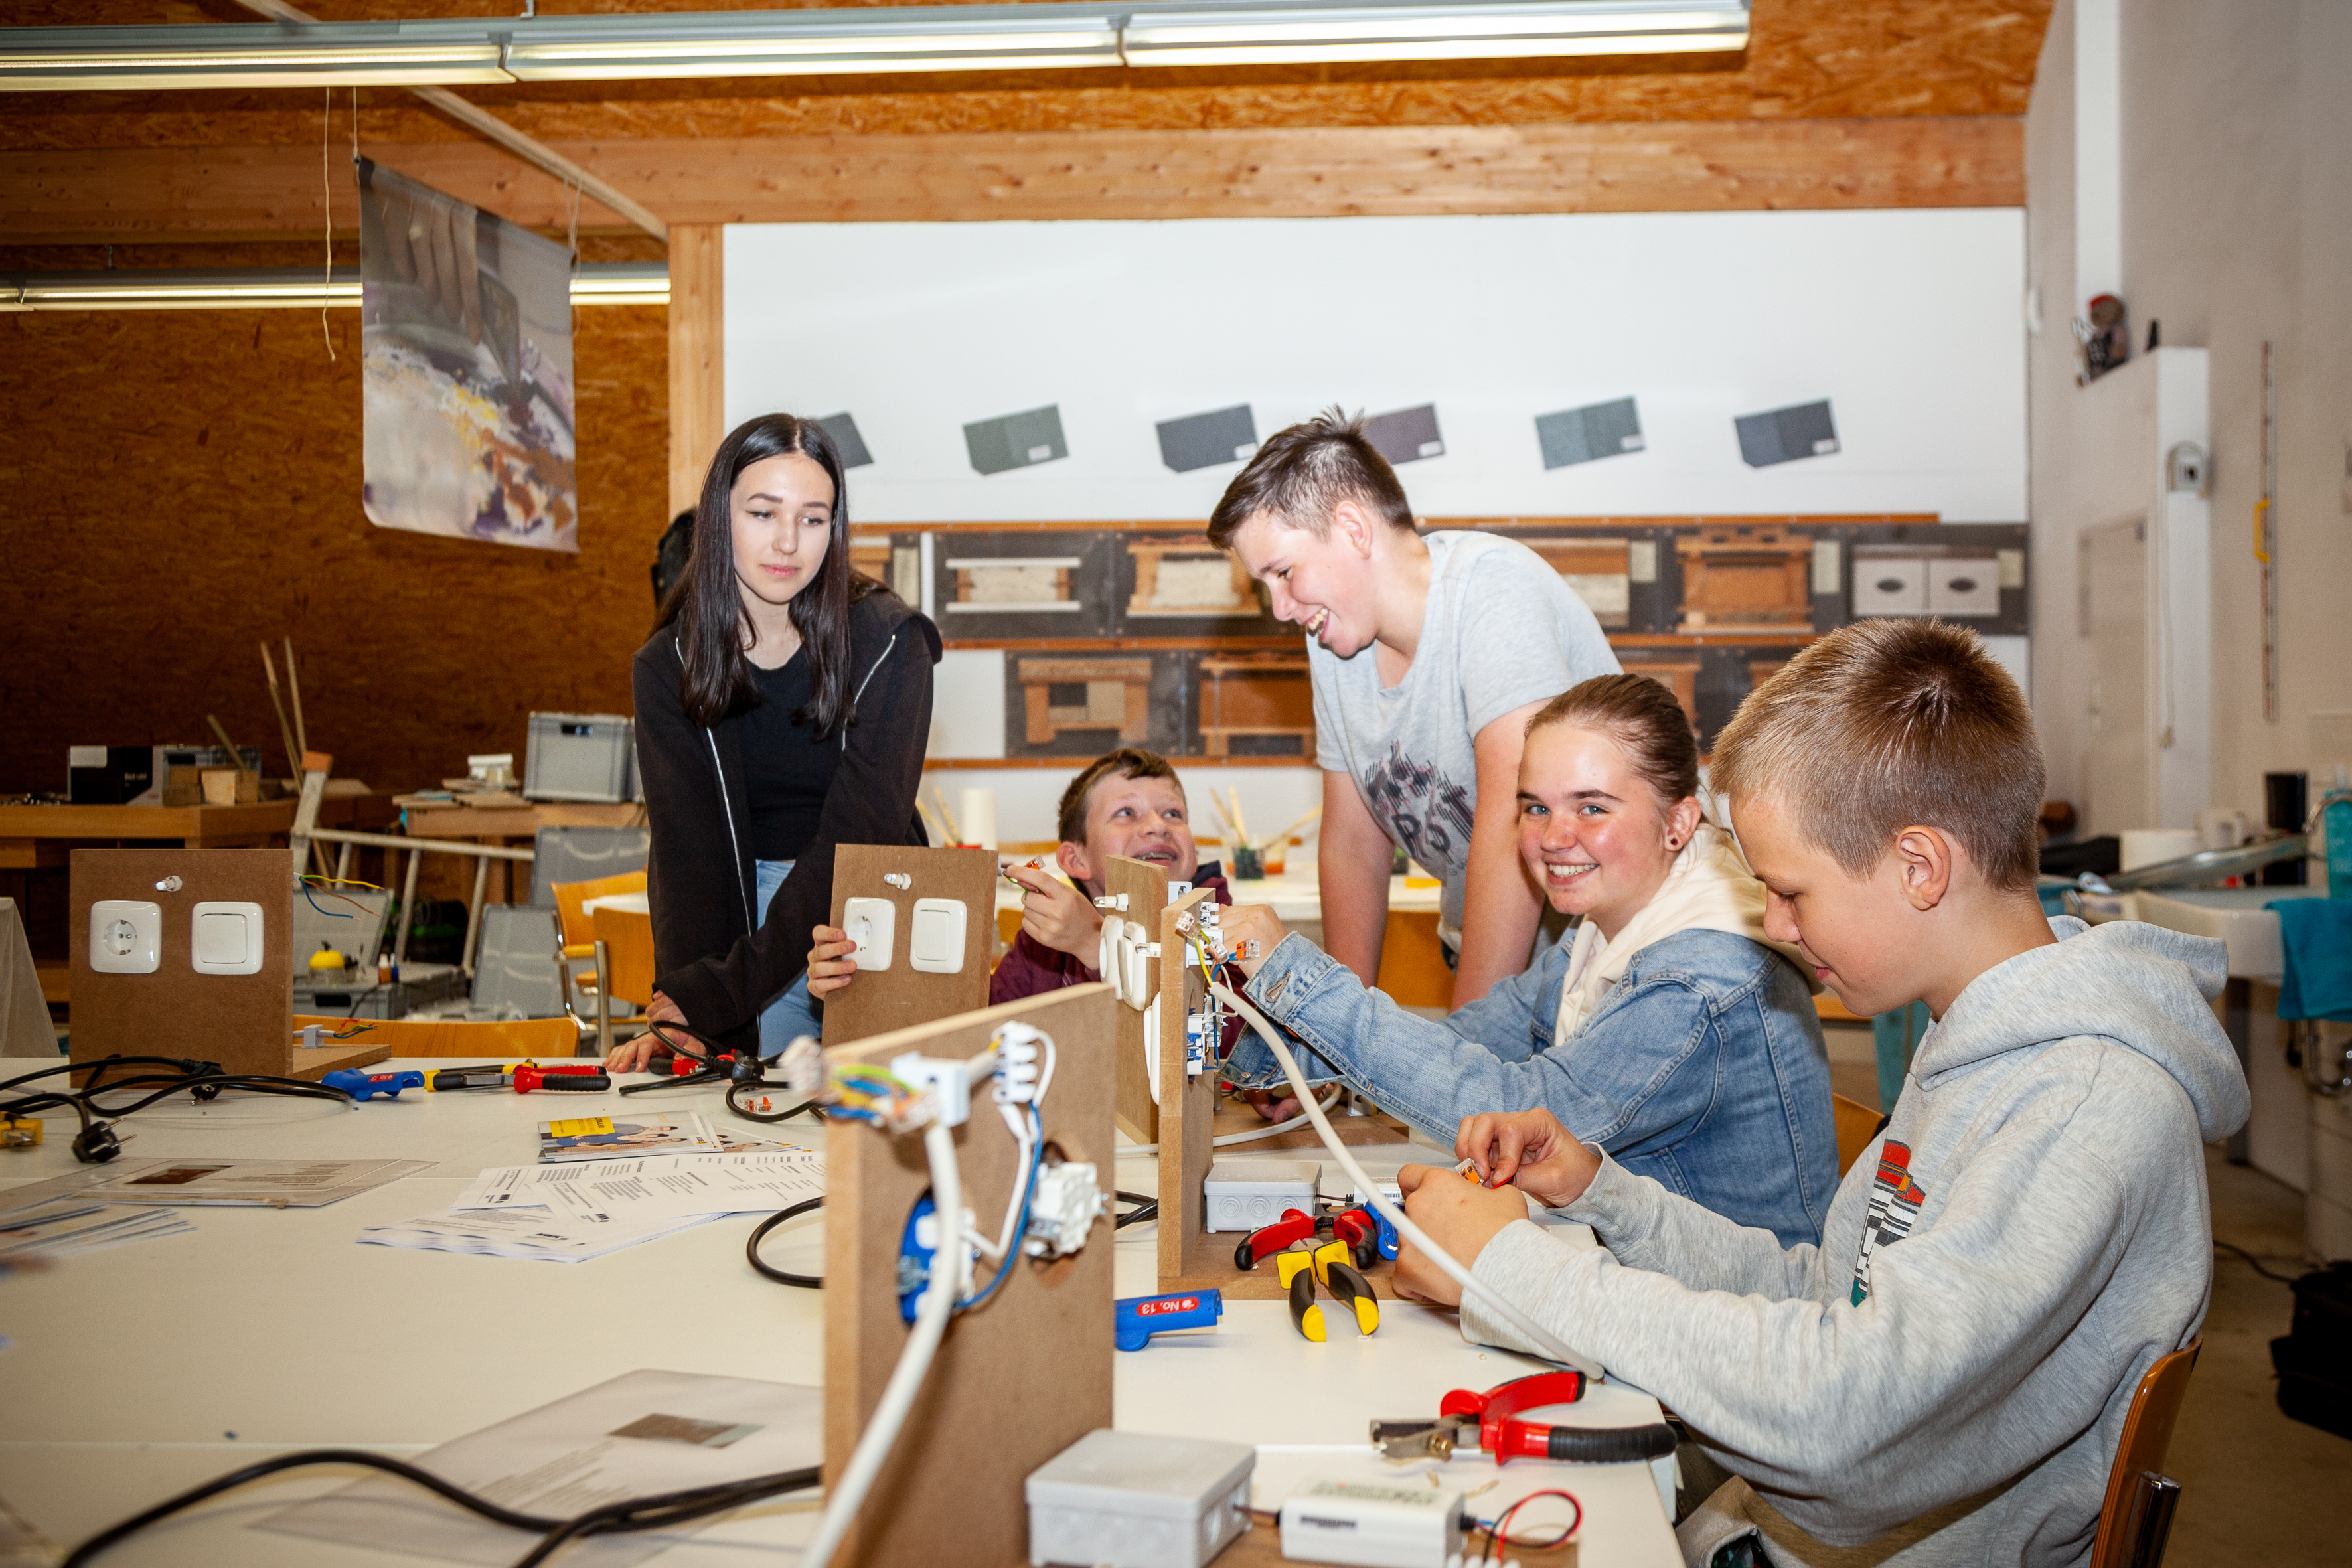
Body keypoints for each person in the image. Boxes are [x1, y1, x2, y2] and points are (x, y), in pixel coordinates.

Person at [1389, 619, 2250, 1567]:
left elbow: (1845, 1424)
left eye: (1791, 890)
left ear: (1918, 867)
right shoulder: (1972, 1042)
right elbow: (1827, 1297)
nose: (1775, 922)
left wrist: (1508, 1271)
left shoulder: (2081, 1104)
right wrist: (1601, 1192)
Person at [1217, 674, 1836, 1247]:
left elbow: (1522, 1106)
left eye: (1591, 807)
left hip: (1729, 1324)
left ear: (1677, 821)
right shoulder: (1606, 926)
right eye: (1535, 806)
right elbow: (1465, 1039)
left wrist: (1301, 983)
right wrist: (1302, 1065)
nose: (1552, 837)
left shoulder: (1700, 978)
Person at [1208, 411, 1618, 1008]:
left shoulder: (1490, 590)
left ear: (1351, 528)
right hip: (1501, 963)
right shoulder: (1333, 638)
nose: (1279, 607)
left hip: (1601, 962)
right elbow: (1352, 844)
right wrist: (1336, 1032)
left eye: (1284, 573)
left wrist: (1466, 1044)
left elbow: (1513, 821)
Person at [611, 413, 941, 1073]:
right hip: (742, 912)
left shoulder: (892, 644)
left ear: (834, 527)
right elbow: (687, 852)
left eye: (813, 518)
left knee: (861, 1121)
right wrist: (689, 1002)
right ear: (719, 516)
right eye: (763, 513)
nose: (788, 541)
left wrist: (719, 989)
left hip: (863, 900)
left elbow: (859, 837)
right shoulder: (666, 664)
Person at [807, 747, 1233, 1006]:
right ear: (1075, 859)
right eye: (1126, 812)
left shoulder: (1225, 925)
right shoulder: (1044, 944)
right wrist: (856, 989)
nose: (1158, 825)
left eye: (1174, 813)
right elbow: (979, 1029)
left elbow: (1231, 1043)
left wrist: (1095, 944)